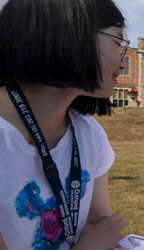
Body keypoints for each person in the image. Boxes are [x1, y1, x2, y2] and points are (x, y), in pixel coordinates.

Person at [0, 0, 129, 249]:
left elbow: (102, 225)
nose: (122, 62)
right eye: (117, 42)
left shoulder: (89, 134)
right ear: (72, 34)